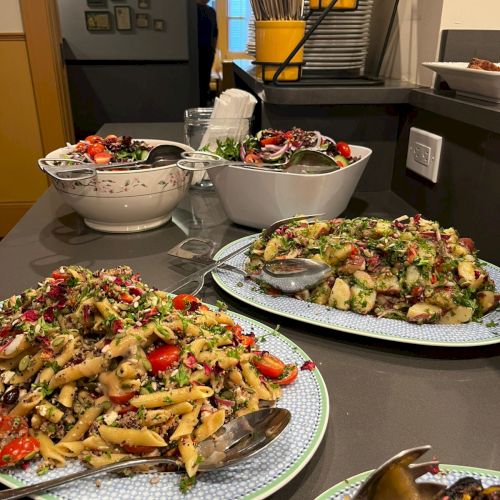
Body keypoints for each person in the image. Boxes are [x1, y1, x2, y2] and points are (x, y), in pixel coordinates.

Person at [197, 0, 218, 107]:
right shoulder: (192, 10)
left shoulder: (211, 11)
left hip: (207, 53)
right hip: (196, 52)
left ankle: (203, 105)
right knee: (198, 84)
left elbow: (215, 33)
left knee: (205, 82)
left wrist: (213, 50)